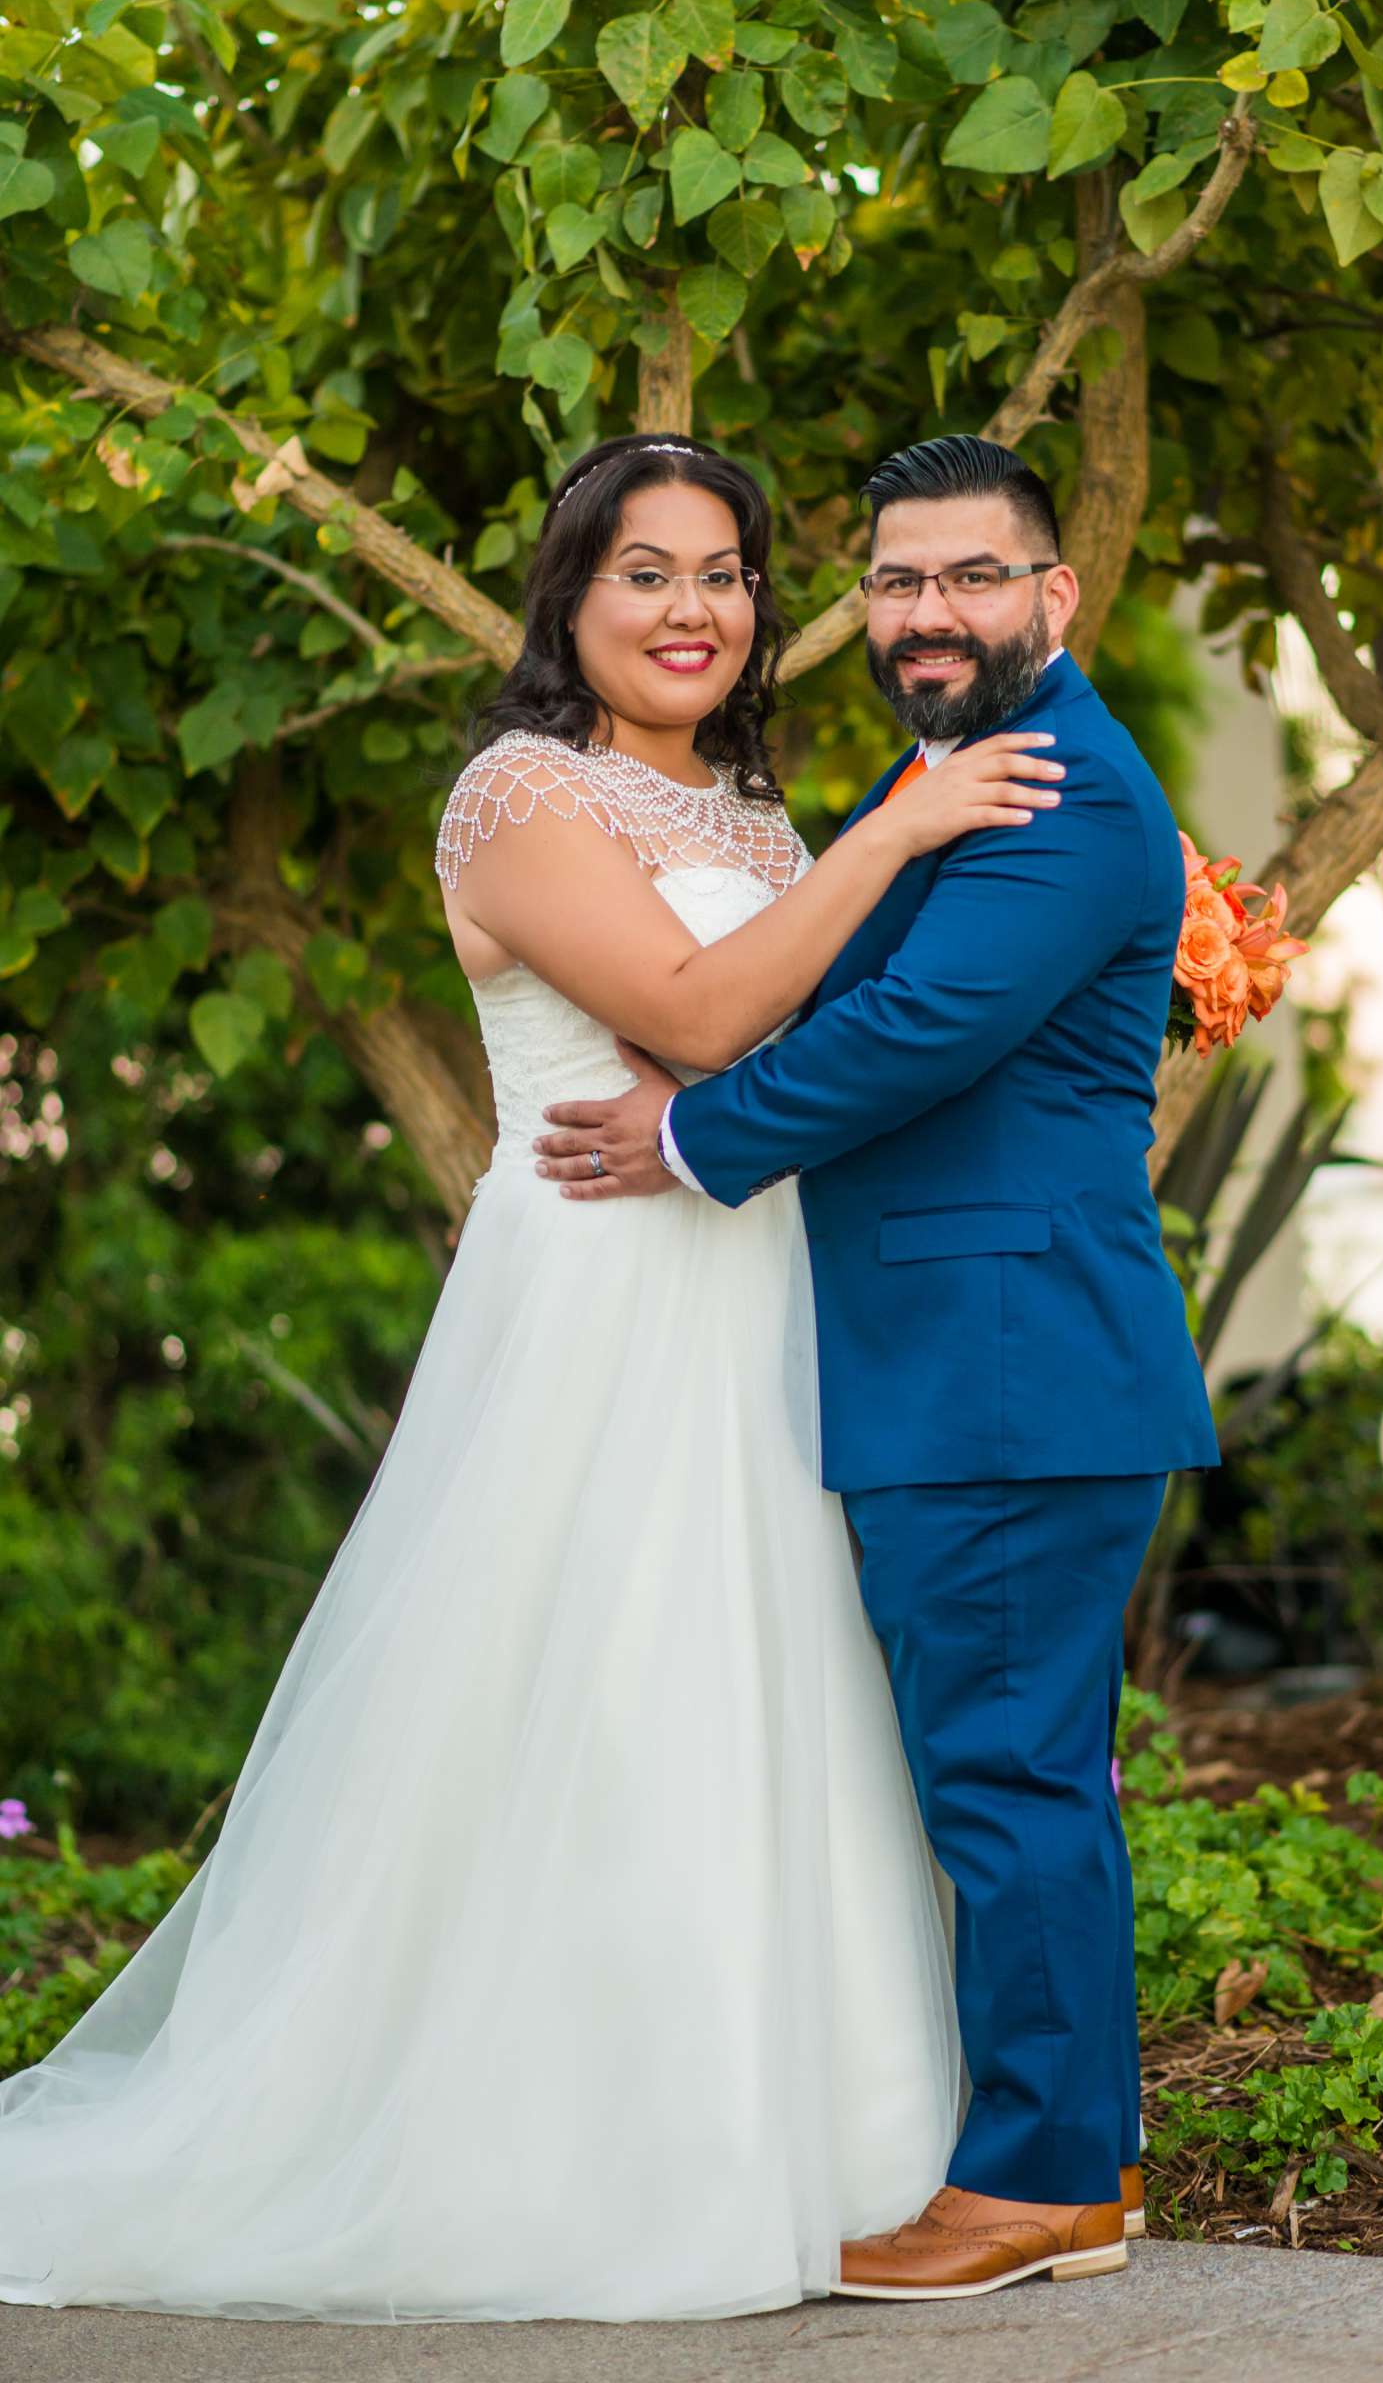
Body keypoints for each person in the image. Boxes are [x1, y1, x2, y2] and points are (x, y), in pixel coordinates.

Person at [0, 435, 1068, 2325]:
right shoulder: (519, 796)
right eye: (646, 572)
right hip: (597, 1306)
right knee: (607, 1693)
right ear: (573, 596)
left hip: (761, 1300)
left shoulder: (753, 818)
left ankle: (826, 2147)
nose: (692, 610)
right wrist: (906, 826)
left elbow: (849, 1045)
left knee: (783, 1693)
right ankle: (574, 2152)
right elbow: (704, 1013)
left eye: (727, 572)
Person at [531, 434, 1221, 2301]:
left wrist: (689, 1138)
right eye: (899, 583)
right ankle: (1060, 2155)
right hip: (967, 1355)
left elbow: (920, 1026)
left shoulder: (1061, 792)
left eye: (972, 578)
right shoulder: (950, 773)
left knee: (1008, 1777)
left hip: (1007, 1361)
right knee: (1001, 1769)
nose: (930, 615)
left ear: (1052, 597)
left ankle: (1051, 2180)